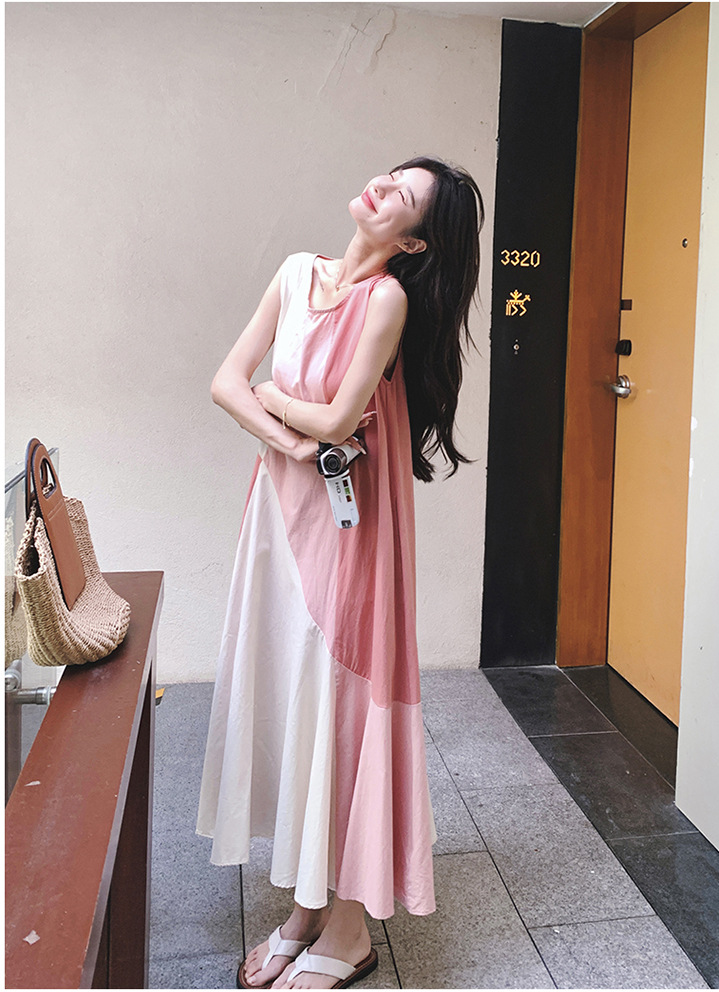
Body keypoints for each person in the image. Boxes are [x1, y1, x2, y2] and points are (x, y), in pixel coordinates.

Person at [197, 156, 484, 990]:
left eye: (405, 196)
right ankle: (309, 905)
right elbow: (224, 382)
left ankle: (349, 928)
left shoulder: (386, 299)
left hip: (352, 524)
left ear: (414, 240)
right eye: (390, 175)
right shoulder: (296, 272)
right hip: (281, 511)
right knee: (296, 693)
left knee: (343, 697)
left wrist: (277, 407)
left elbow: (335, 416)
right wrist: (291, 438)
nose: (383, 186)